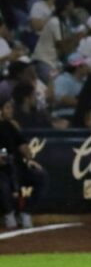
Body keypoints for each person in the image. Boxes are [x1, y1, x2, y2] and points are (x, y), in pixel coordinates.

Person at [0, 91, 47, 229]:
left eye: (11, 108)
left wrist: (29, 159)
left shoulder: (11, 126)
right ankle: (9, 214)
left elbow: (25, 148)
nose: (10, 111)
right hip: (3, 171)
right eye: (7, 108)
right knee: (2, 184)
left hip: (17, 167)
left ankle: (26, 213)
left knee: (41, 176)